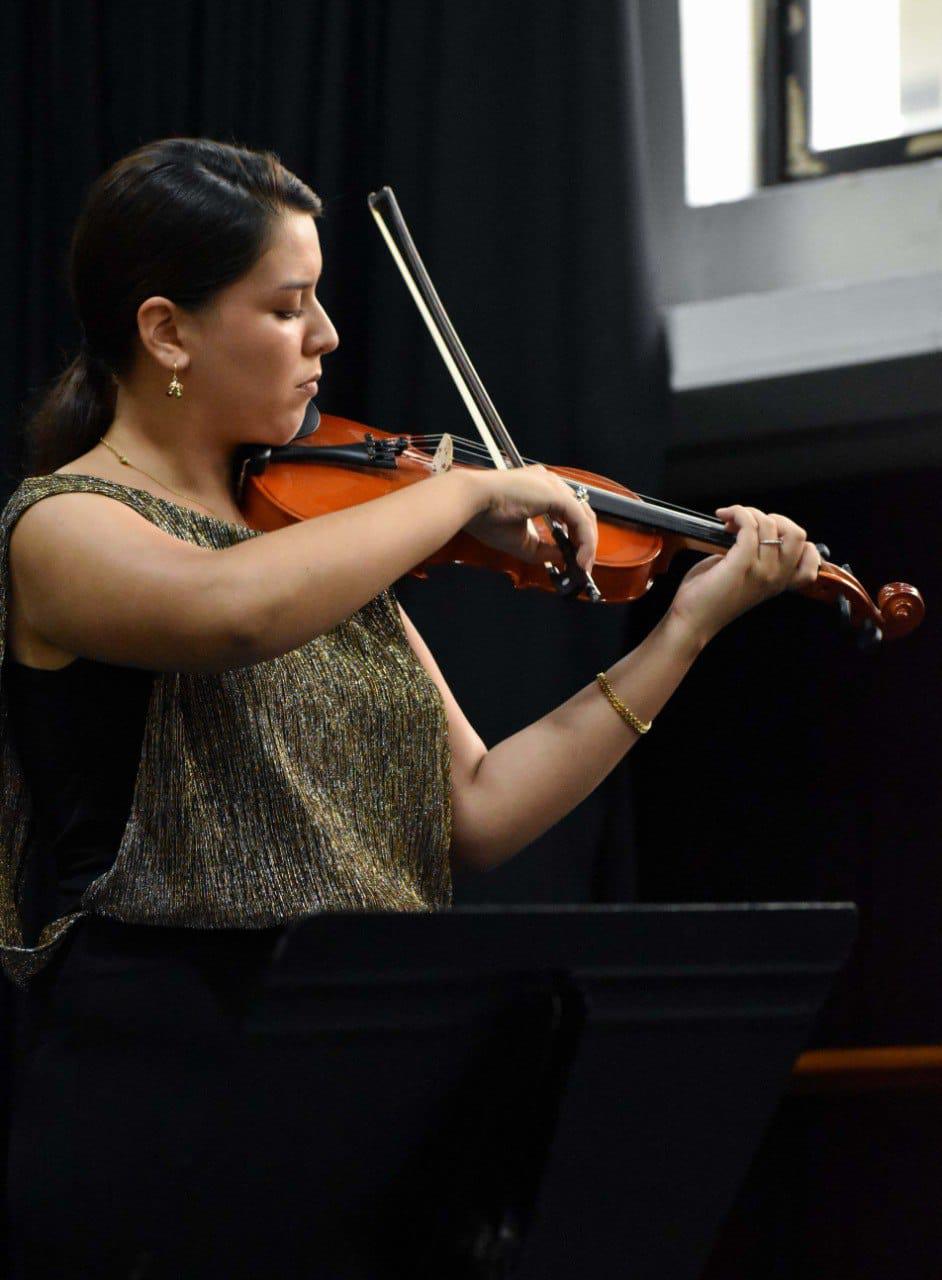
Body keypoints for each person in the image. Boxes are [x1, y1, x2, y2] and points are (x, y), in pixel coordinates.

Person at [0, 137, 820, 1276]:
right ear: (167, 331)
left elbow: (476, 810)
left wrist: (685, 628)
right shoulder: (62, 523)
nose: (328, 335)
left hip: (352, 1068)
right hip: (160, 1076)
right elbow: (227, 612)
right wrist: (465, 493)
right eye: (289, 306)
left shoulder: (314, 537)